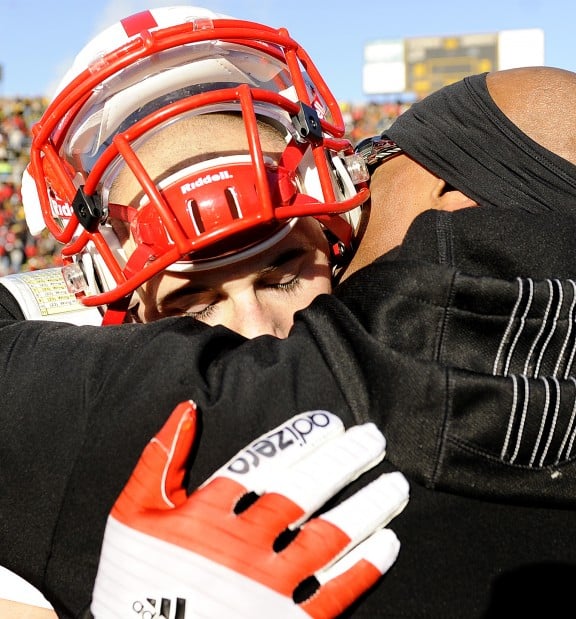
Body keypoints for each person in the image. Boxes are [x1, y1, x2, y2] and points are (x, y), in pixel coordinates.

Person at [3, 4, 576, 617]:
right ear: (127, 315)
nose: (259, 332)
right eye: (197, 300)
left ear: (339, 242)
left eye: (281, 276)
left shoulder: (79, 429)